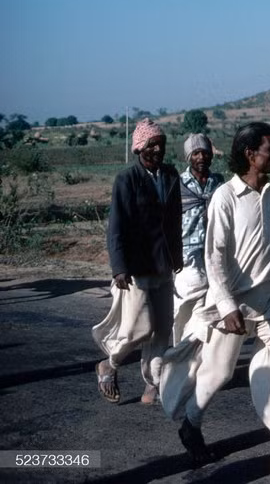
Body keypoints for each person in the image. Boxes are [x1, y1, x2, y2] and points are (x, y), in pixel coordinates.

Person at [172, 122, 270, 476]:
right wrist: (226, 306)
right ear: (250, 154)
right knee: (218, 373)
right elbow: (214, 257)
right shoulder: (225, 197)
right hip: (234, 304)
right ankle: (191, 424)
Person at [92, 118, 182, 406]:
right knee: (139, 328)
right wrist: (119, 267)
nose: (157, 150)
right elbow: (117, 227)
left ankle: (153, 383)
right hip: (137, 267)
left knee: (163, 329)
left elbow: (175, 221)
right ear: (139, 147)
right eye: (152, 145)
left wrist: (177, 255)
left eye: (161, 144)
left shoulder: (170, 175)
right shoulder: (127, 179)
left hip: (163, 264)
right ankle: (109, 364)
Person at [173, 133, 223, 344]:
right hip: (187, 254)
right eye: (196, 153)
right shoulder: (179, 184)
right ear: (188, 157)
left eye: (205, 153)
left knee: (209, 306)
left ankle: (199, 352)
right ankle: (180, 349)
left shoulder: (218, 183)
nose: (201, 157)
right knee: (185, 305)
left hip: (214, 251)